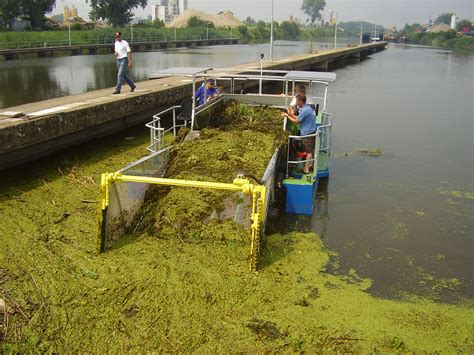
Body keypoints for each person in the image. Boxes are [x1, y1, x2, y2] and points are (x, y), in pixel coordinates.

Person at [283, 94, 318, 174]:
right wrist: (289, 114)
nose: (296, 103)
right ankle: (312, 166)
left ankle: (306, 169)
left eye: (297, 101)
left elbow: (297, 121)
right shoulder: (306, 108)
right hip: (312, 131)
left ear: (301, 101)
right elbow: (298, 117)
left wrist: (287, 116)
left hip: (308, 133)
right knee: (312, 149)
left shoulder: (305, 110)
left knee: (308, 152)